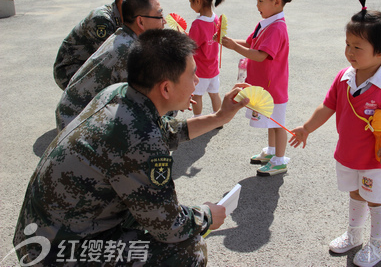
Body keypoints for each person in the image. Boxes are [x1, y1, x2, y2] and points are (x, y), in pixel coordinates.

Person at [13, 29, 250, 266]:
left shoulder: (117, 94)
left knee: (144, 212)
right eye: (193, 75)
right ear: (166, 88)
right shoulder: (141, 142)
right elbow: (168, 226)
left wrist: (220, 116)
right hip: (56, 253)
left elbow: (168, 131)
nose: (197, 82)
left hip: (41, 235)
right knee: (188, 249)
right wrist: (207, 215)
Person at [289, 0, 381, 267]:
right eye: (347, 44)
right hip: (349, 154)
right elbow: (327, 106)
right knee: (355, 195)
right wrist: (306, 128)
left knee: (377, 201)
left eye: (357, 47)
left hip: (378, 160)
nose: (349, 52)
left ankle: (377, 245)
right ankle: (354, 235)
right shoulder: (344, 77)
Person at [55, 0, 166, 132]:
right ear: (141, 21)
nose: (164, 21)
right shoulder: (129, 52)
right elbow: (146, 104)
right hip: (75, 126)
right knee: (150, 132)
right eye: (159, 16)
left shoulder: (124, 37)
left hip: (74, 116)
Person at [221, 0, 293, 176]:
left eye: (261, 1)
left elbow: (260, 55)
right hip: (265, 85)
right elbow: (251, 43)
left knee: (278, 124)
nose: (257, 5)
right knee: (272, 122)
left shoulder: (277, 27)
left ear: (277, 2)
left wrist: (234, 47)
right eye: (257, 0)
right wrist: (229, 41)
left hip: (274, 87)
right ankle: (272, 152)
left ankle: (279, 160)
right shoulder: (267, 22)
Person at [53, 0, 147, 90]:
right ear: (123, 1)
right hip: (70, 70)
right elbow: (116, 56)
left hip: (90, 67)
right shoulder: (101, 20)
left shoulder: (123, 17)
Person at [187, 0, 225, 118]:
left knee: (197, 95)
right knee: (214, 93)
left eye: (190, 1)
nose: (190, 5)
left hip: (201, 70)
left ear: (197, 0)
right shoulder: (216, 19)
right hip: (213, 68)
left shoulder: (197, 24)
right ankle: (218, 118)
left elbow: (191, 46)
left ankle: (198, 119)